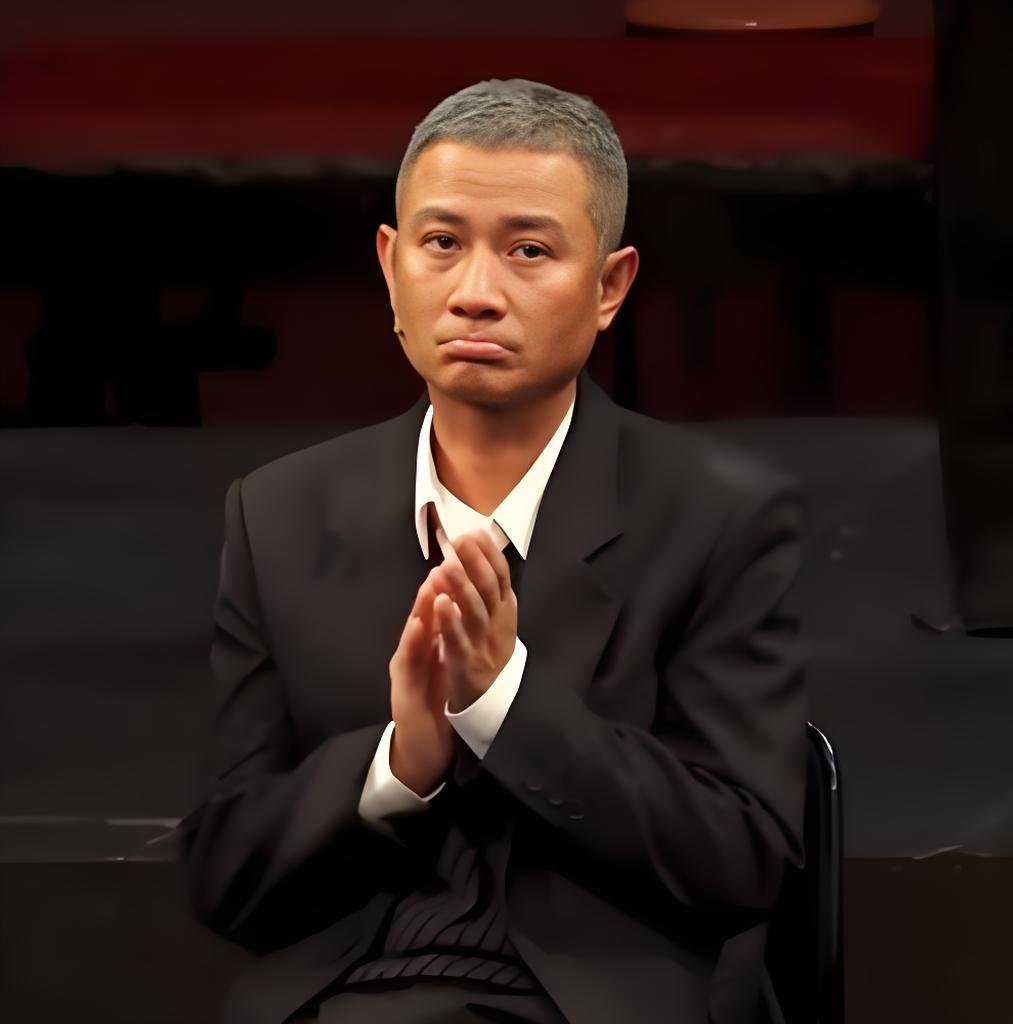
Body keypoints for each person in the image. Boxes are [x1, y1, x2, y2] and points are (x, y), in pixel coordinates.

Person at [180, 78, 809, 1024]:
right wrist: (401, 763)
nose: (476, 295)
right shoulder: (277, 515)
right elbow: (226, 872)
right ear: (390, 265)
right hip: (339, 998)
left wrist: (503, 706)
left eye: (528, 251)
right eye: (442, 244)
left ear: (610, 287)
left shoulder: (721, 518)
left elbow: (745, 860)